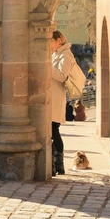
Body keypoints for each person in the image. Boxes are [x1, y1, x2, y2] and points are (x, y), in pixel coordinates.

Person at [50, 30, 74, 176]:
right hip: (50, 97)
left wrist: (47, 65)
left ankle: (59, 163)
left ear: (58, 40)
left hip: (56, 98)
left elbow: (62, 76)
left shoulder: (66, 54)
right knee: (51, 130)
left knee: (54, 129)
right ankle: (55, 163)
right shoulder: (56, 54)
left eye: (51, 41)